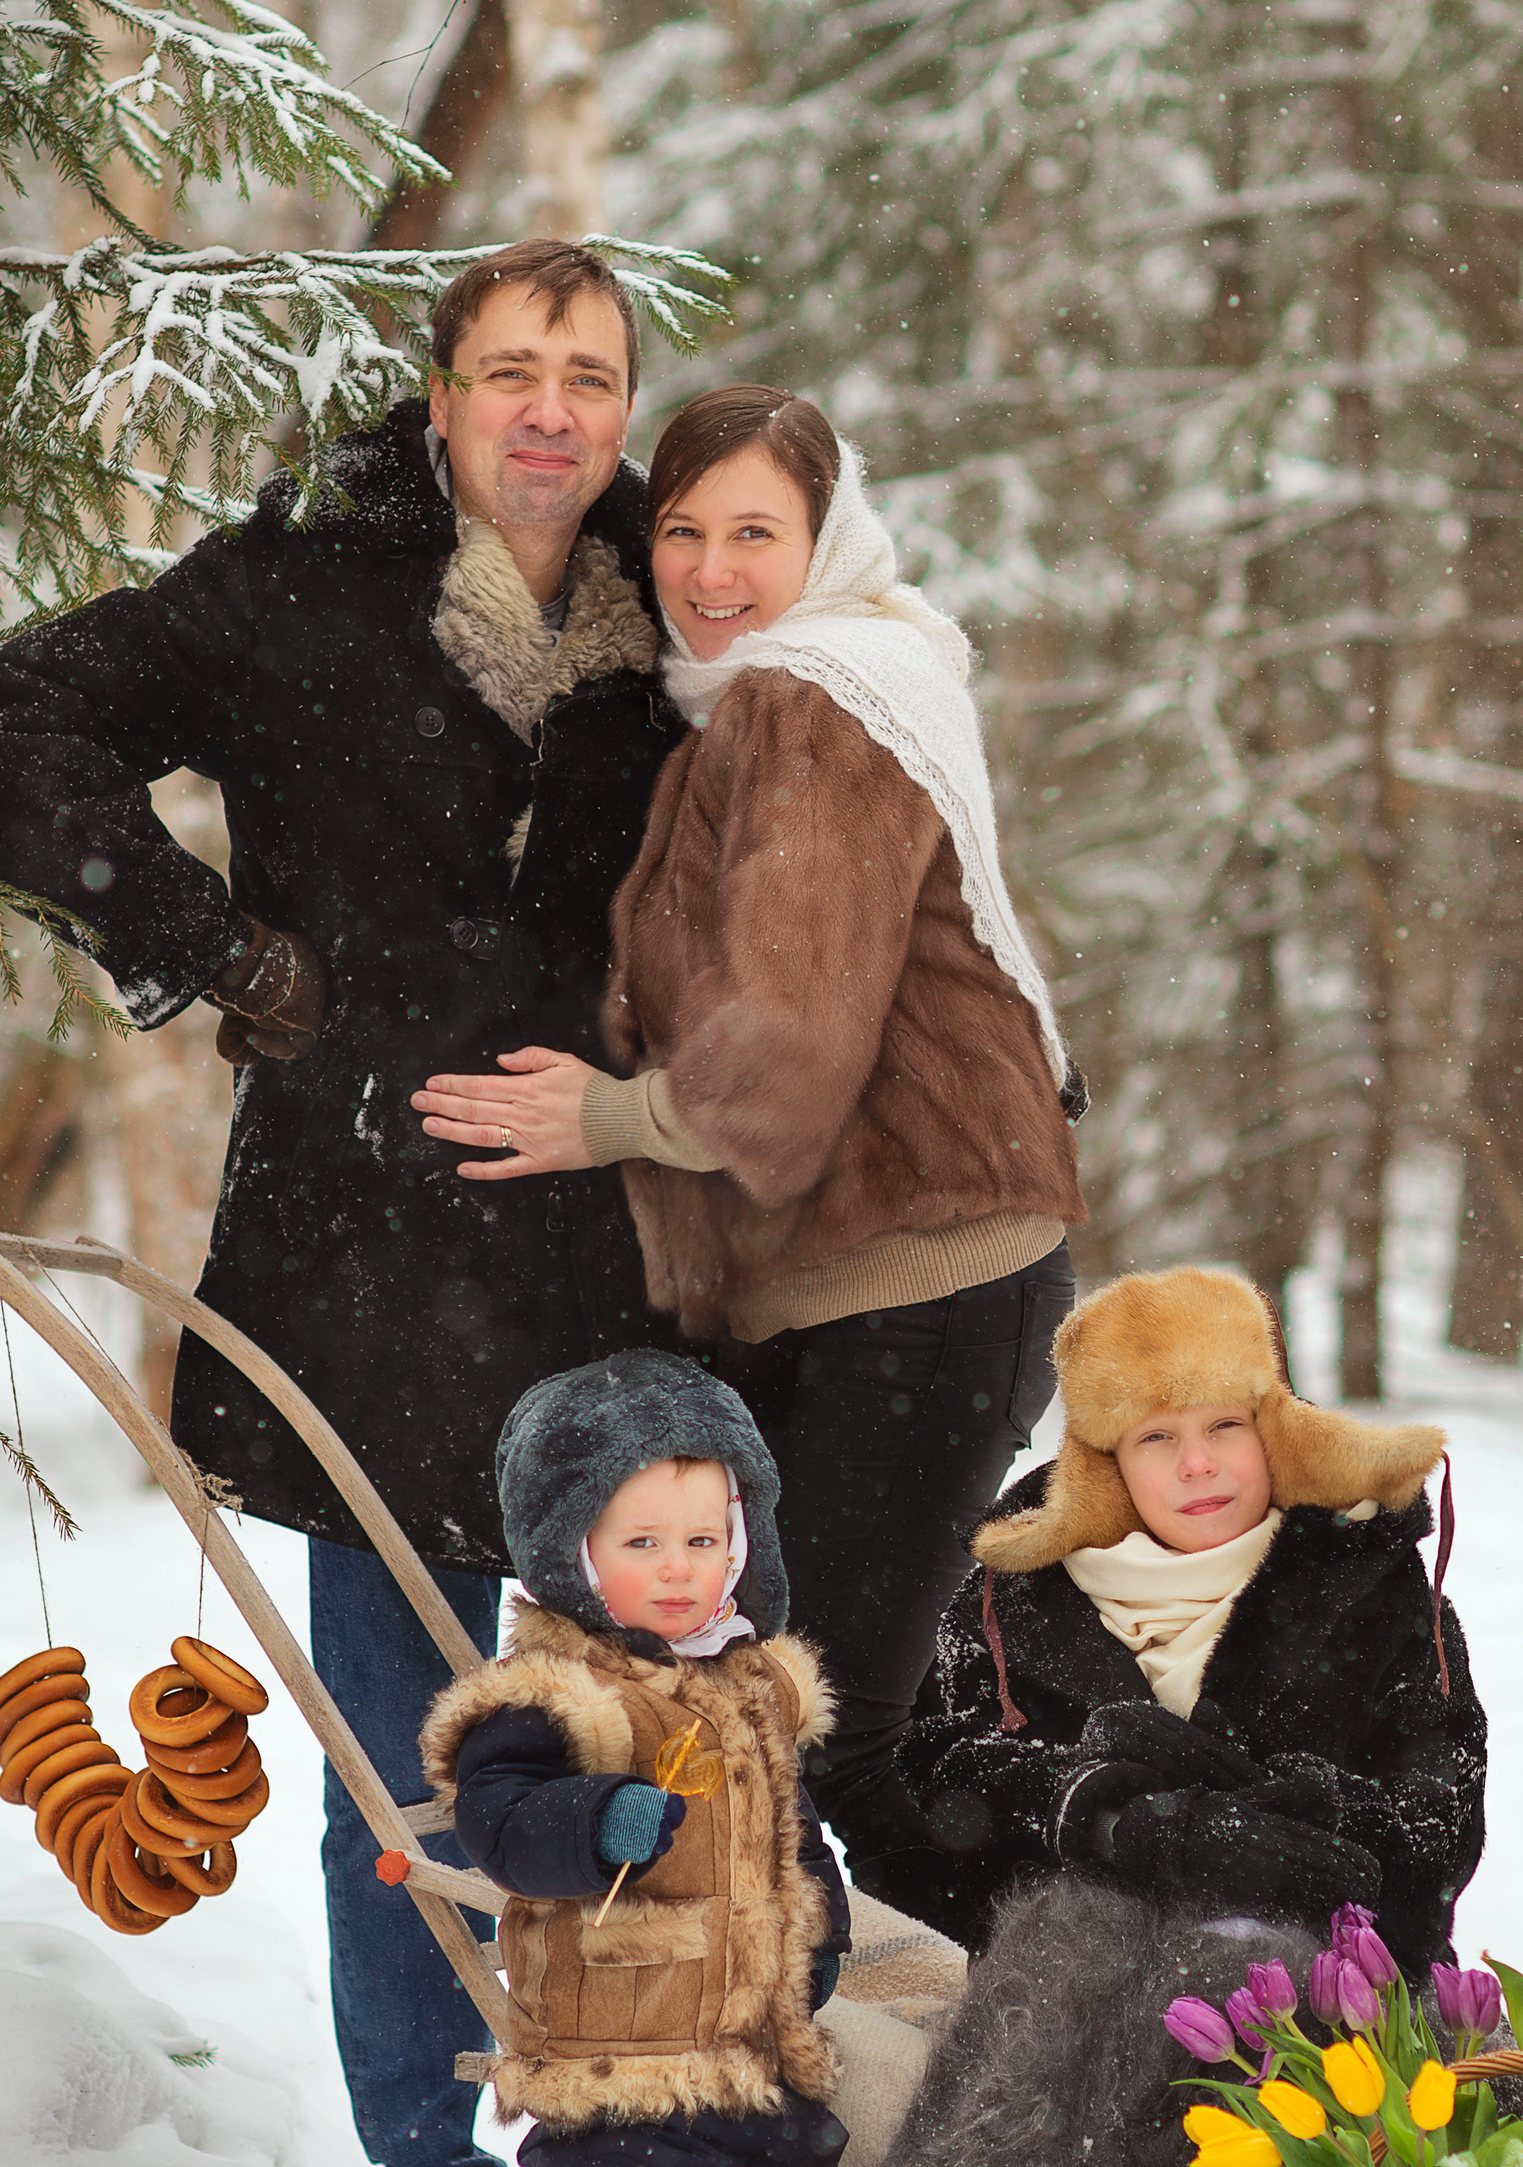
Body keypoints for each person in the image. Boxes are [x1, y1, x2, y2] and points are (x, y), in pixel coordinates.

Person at [0, 239, 683, 2167]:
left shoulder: (689, 609)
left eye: (591, 374)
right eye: (510, 369)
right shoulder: (298, 585)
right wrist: (204, 940)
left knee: (658, 1743)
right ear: (440, 397)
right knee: (409, 1762)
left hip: (629, 1261)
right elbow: (17, 716)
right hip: (363, 1254)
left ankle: (662, 2150)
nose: (551, 410)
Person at [410, 386, 1085, 1906]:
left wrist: (610, 1117)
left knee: (841, 1739)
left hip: (915, 1293)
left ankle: (1118, 2046)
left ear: (827, 542)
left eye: (757, 534)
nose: (714, 572)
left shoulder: (810, 700)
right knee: (835, 1720)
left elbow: (785, 1036)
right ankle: (976, 2037)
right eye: (684, 533)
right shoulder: (787, 698)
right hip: (882, 1294)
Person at [419, 1350, 851, 2167]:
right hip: (624, 2044)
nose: (676, 1568)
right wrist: (594, 1817)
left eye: (703, 1541)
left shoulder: (751, 1686)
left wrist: (818, 1931)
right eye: (641, 1542)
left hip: (750, 2041)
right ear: (574, 1551)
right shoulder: (555, 1692)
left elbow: (787, 1833)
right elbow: (500, 1817)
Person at [890, 1266, 1486, 1975]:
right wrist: (1109, 1818)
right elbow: (946, 1786)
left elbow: (1440, 1830)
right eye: (1156, 1438)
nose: (1198, 1463)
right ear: (1106, 1465)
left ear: (1275, 1431)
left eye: (1224, 1425)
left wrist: (1295, 1820)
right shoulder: (1013, 1602)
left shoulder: (1374, 1587)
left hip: (1343, 2001)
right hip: (1075, 2002)